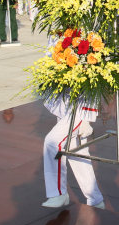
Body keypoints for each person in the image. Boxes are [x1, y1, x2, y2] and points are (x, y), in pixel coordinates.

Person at [40, 54, 105, 209]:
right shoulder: (57, 33)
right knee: (78, 153)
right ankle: (95, 199)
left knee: (53, 142)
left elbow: (95, 73)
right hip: (67, 103)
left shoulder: (86, 31)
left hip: (80, 107)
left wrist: (87, 116)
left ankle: (58, 194)